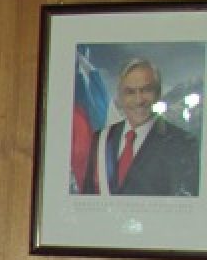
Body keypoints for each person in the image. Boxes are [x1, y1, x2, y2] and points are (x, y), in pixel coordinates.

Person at [81, 57, 200, 196]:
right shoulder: (101, 139)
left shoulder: (182, 143)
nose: (138, 100)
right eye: (130, 92)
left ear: (158, 93)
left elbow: (186, 202)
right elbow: (88, 195)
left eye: (146, 90)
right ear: (120, 96)